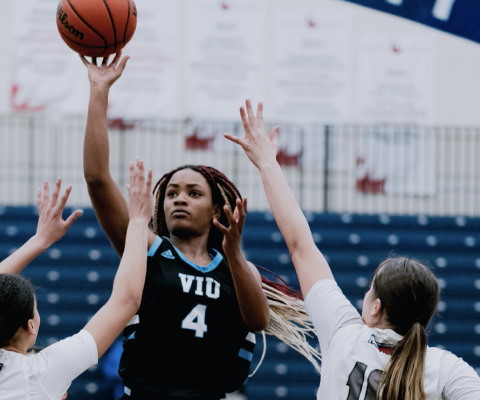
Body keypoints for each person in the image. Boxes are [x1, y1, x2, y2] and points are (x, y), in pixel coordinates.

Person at [80, 53, 319, 400]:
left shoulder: (237, 269)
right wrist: (99, 90)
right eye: (172, 192)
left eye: (193, 193)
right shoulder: (147, 249)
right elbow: (97, 179)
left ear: (214, 211)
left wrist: (234, 255)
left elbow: (258, 321)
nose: (179, 199)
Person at [227, 99, 480, 400]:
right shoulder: (447, 369)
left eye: (369, 289)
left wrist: (268, 163)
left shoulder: (343, 333)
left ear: (375, 308)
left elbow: (299, 244)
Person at [0, 163, 154, 400]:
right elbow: (127, 299)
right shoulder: (40, 373)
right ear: (31, 326)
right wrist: (139, 221)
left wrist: (40, 241)